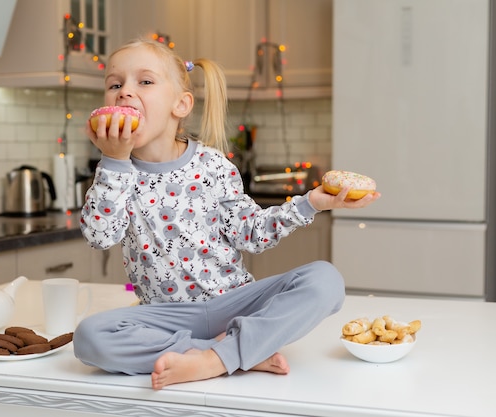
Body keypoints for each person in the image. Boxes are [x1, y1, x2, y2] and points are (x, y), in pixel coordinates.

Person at [73, 38, 380, 390]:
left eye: (144, 81)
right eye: (115, 84)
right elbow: (99, 237)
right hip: (165, 317)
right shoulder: (115, 173)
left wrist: (311, 203)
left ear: (181, 104)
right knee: (89, 337)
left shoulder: (213, 165)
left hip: (234, 303)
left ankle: (216, 358)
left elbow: (250, 233)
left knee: (325, 280)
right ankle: (230, 352)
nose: (125, 92)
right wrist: (113, 160)